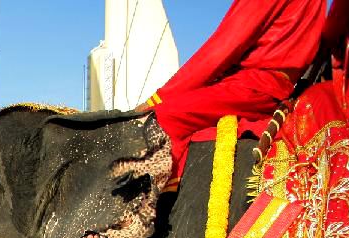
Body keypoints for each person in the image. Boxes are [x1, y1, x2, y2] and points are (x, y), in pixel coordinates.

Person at [136, 0, 325, 186]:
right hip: (271, 89)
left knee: (158, 119)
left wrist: (158, 98)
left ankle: (156, 207)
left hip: (250, 86)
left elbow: (221, 50)